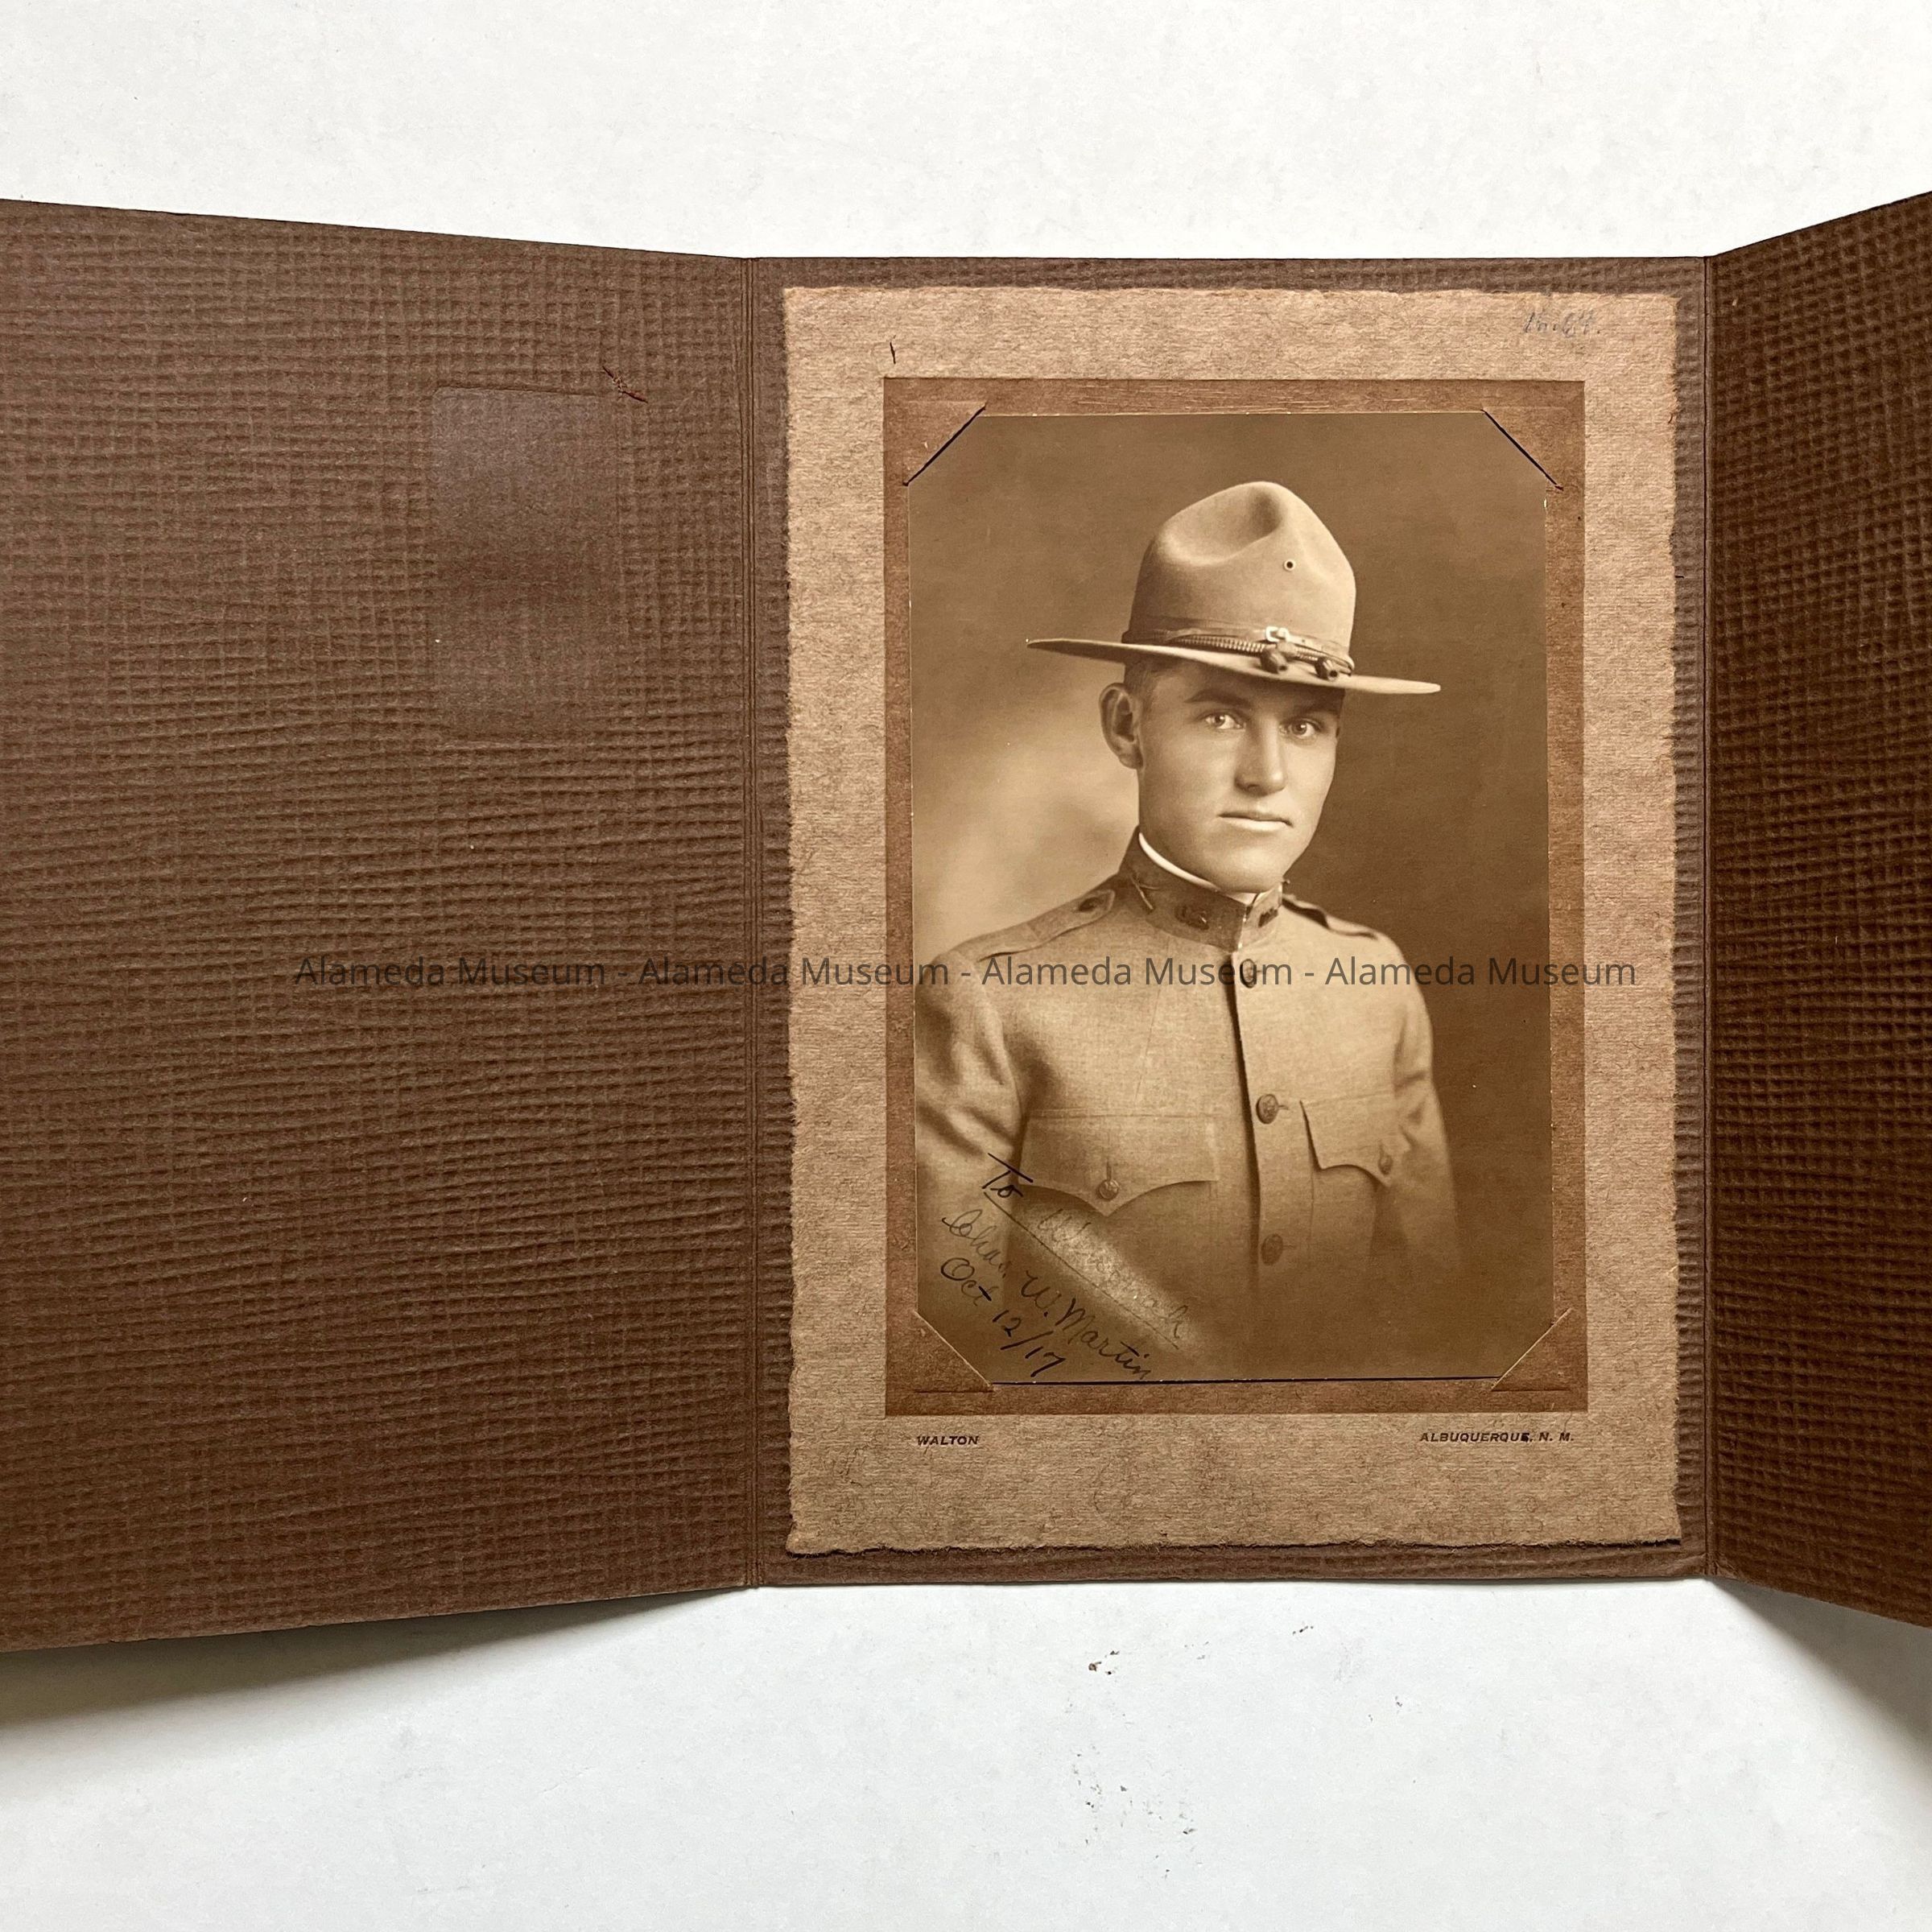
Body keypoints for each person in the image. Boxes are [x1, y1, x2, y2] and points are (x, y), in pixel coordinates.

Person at [914, 480, 1460, 1383]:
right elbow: (952, 1355)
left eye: (1307, 726)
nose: (1267, 774)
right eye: (1220, 716)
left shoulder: (1374, 983)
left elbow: (1432, 1322)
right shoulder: (989, 1005)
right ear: (1128, 727)